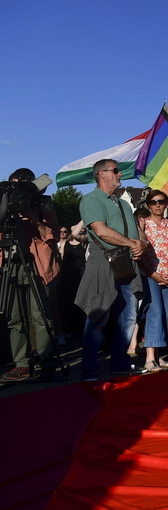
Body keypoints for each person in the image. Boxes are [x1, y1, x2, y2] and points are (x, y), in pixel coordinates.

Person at [76, 160, 147, 381]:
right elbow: (101, 230)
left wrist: (142, 243)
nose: (119, 174)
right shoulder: (91, 199)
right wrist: (131, 243)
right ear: (101, 175)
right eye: (115, 170)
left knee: (128, 316)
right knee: (98, 315)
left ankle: (120, 363)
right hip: (103, 260)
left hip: (126, 261)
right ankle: (88, 369)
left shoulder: (124, 204)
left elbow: (138, 232)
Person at [1, 168, 62, 381]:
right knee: (14, 318)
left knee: (41, 316)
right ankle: (22, 364)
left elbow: (52, 237)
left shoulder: (40, 206)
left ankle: (47, 363)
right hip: (10, 265)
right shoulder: (4, 204)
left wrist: (34, 218)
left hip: (36, 265)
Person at [138, 190, 168, 371]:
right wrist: (153, 273)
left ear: (166, 204)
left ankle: (158, 355)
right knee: (155, 312)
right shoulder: (143, 224)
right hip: (150, 275)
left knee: (167, 314)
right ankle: (149, 358)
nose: (158, 205)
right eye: (154, 202)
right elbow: (139, 252)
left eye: (161, 202)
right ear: (148, 204)